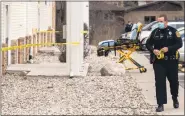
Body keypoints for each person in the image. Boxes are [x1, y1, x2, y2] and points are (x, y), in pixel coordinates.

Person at [146, 14, 182, 112]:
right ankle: (160, 104)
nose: (159, 23)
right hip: (159, 62)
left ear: (166, 22)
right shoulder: (155, 32)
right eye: (158, 21)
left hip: (171, 61)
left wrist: (168, 48)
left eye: (161, 21)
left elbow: (179, 43)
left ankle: (175, 98)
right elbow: (148, 44)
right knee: (160, 83)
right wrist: (153, 50)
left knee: (174, 82)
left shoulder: (173, 31)